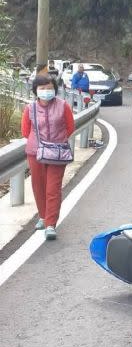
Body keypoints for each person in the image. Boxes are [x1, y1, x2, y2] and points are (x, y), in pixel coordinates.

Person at [21, 75, 75, 241]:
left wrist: (56, 141)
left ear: (55, 89)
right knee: (38, 186)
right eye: (42, 88)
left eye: (49, 88)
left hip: (57, 152)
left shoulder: (63, 106)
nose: (46, 91)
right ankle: (43, 217)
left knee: (53, 188)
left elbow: (70, 126)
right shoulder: (30, 108)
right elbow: (25, 130)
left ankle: (51, 224)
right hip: (35, 152)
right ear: (36, 90)